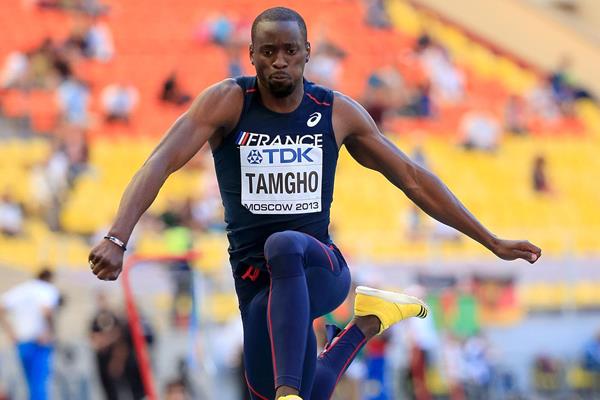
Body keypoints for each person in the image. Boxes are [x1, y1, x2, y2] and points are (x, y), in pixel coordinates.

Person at [88, 7, 541, 400]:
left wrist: (491, 241)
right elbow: (160, 161)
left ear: (308, 51)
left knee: (285, 244)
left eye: (289, 50)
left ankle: (289, 392)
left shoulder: (335, 112)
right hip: (255, 283)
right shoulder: (228, 102)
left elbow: (413, 179)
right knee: (305, 386)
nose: (279, 62)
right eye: (268, 52)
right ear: (251, 55)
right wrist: (117, 235)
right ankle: (365, 325)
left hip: (319, 269)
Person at [0, 268, 61, 400]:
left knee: (28, 383)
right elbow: (47, 311)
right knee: (40, 384)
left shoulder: (23, 289)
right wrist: (50, 332)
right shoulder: (47, 289)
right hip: (39, 342)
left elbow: (1, 307)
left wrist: (10, 333)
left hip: (21, 342)